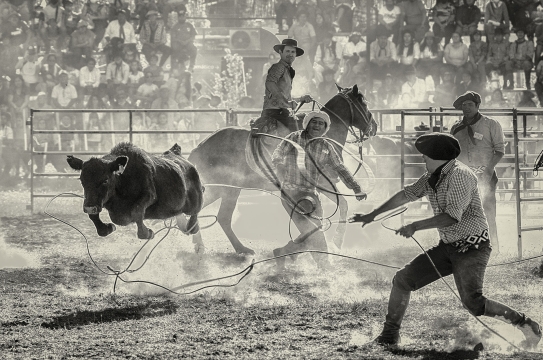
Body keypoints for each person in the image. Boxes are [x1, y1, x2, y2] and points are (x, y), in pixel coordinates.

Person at [349, 132, 542, 349]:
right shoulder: (434, 175)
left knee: (473, 302)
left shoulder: (459, 175)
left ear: (436, 156)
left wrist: (415, 226)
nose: (422, 159)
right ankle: (389, 334)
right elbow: (407, 194)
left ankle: (526, 324)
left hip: (472, 247)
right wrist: (372, 214)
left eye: (425, 155)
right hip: (449, 247)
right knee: (403, 280)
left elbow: (451, 216)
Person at [272, 111, 366, 270]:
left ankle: (284, 252)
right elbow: (277, 154)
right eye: (314, 122)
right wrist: (280, 166)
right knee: (314, 230)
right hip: (291, 193)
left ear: (325, 128)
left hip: (311, 194)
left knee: (313, 231)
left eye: (321, 123)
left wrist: (356, 187)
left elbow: (340, 168)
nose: (316, 125)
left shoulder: (326, 146)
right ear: (307, 124)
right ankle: (324, 265)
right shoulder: (294, 137)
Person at [450, 91, 504, 253]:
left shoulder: (491, 124)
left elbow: (499, 151)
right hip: (463, 175)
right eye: (463, 105)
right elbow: (452, 152)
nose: (466, 108)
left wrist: (488, 171)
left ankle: (493, 246)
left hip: (485, 173)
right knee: (463, 212)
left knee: (488, 210)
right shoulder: (456, 127)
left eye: (470, 105)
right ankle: (468, 246)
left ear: (478, 106)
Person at [255, 38, 312, 136]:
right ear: (281, 52)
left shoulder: (288, 70)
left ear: (295, 55)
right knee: (300, 129)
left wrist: (300, 99)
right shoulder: (278, 67)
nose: (290, 54)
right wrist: (288, 104)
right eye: (287, 51)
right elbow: (270, 83)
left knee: (304, 120)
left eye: (293, 52)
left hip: (281, 112)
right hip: (274, 113)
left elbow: (285, 97)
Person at [170, 6, 197, 72]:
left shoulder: (190, 25)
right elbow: (173, 37)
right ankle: (177, 66)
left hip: (188, 42)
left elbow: (193, 35)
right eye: (180, 16)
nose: (182, 18)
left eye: (183, 16)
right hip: (178, 43)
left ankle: (191, 66)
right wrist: (180, 41)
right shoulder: (175, 26)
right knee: (175, 49)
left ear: (185, 17)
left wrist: (187, 41)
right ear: (178, 17)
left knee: (194, 49)